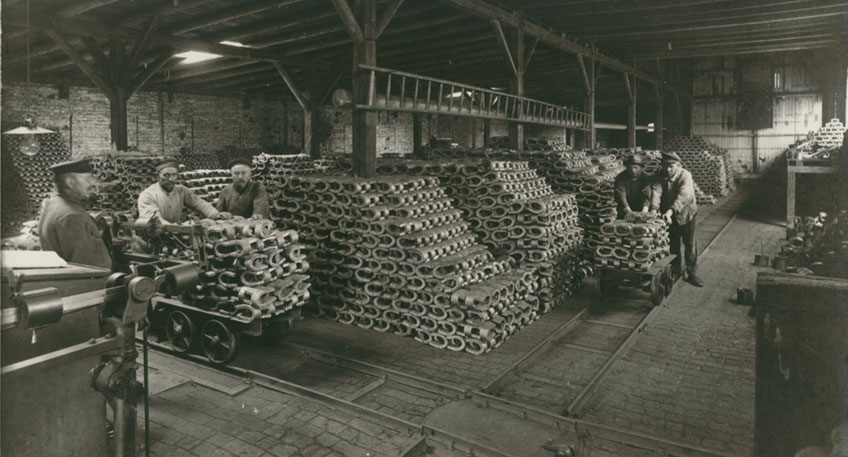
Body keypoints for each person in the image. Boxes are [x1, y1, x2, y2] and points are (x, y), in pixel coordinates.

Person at [38, 158, 112, 269]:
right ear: (70, 182)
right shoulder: (71, 216)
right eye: (88, 179)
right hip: (92, 284)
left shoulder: (54, 205)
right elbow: (87, 267)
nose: (93, 184)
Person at [657, 152, 703, 287]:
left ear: (678, 165)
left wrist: (670, 211)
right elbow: (656, 192)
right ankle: (676, 270)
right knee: (673, 244)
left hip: (687, 215)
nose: (668, 169)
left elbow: (684, 195)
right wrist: (654, 208)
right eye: (665, 166)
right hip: (670, 217)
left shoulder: (685, 175)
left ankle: (692, 273)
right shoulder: (660, 176)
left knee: (690, 245)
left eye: (671, 166)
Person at [137, 159, 230, 223]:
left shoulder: (181, 191)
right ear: (156, 176)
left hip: (174, 234)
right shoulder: (148, 195)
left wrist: (216, 215)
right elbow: (156, 221)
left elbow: (199, 204)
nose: (170, 179)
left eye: (174, 175)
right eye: (166, 175)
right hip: (150, 239)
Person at [613, 154, 660, 219]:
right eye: (630, 168)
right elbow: (621, 195)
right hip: (625, 208)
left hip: (640, 207)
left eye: (636, 168)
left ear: (641, 168)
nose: (633, 170)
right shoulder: (620, 177)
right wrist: (628, 211)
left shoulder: (645, 177)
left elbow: (646, 194)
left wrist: (644, 211)